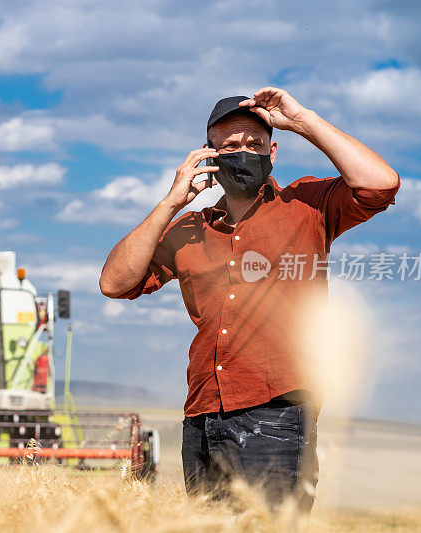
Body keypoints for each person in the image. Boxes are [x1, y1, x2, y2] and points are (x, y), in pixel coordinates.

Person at [99, 87, 399, 511]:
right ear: (209, 156)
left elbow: (381, 184)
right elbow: (114, 282)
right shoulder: (188, 229)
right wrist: (171, 201)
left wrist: (302, 120)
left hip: (278, 408)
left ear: (273, 150)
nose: (245, 154)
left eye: (255, 145)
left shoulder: (306, 205)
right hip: (203, 411)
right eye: (231, 146)